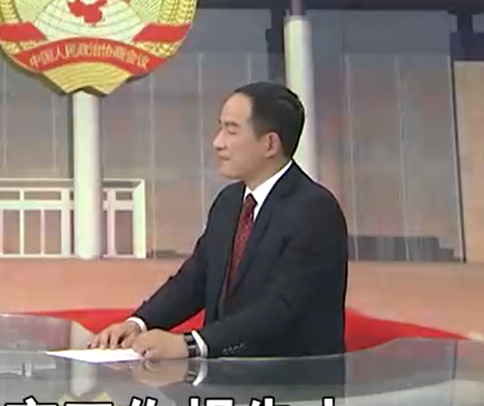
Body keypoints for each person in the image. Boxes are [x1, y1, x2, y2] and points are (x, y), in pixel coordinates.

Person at [90, 81, 349, 361]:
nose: (218, 142)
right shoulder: (229, 202)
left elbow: (282, 306)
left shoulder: (314, 210)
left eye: (231, 130)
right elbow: (195, 279)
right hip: (225, 374)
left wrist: (192, 344)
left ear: (270, 144)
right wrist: (138, 324)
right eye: (220, 128)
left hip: (291, 377)